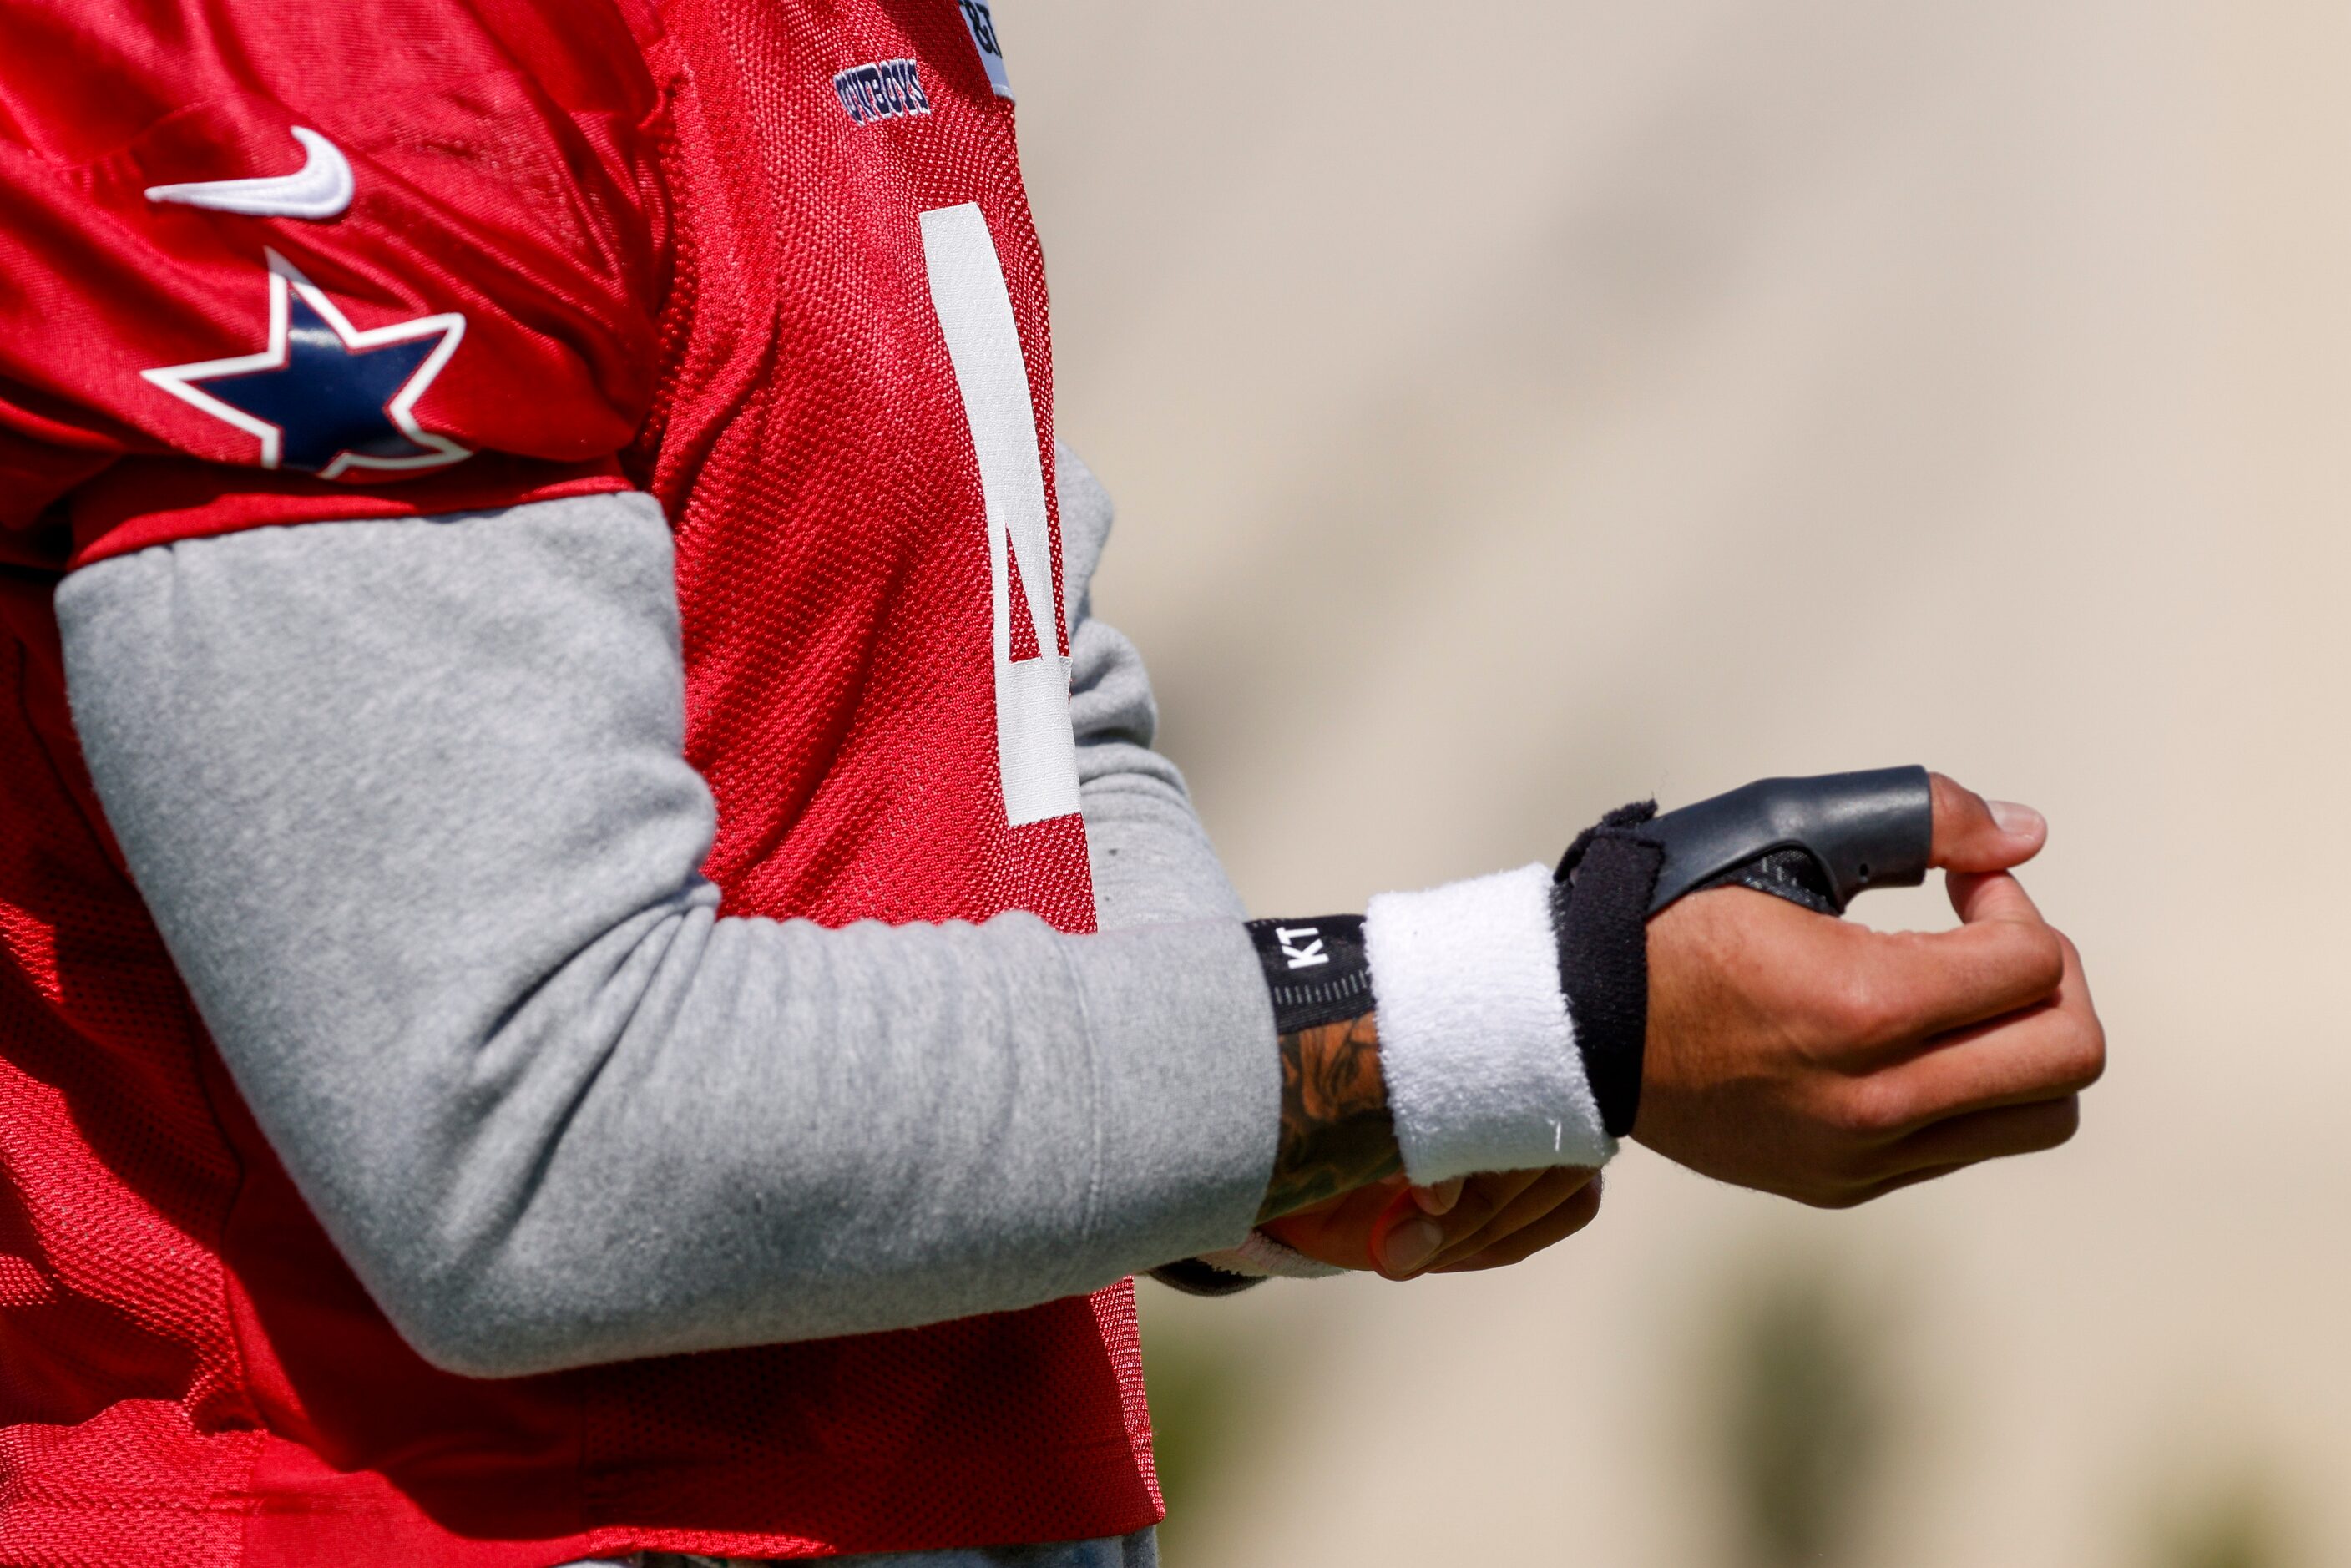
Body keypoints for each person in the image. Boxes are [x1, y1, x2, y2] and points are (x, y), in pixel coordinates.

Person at [0, 1, 2106, 1563]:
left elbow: (1012, 721)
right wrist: (1526, 1008)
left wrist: (1283, 1129)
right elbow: (524, 1138)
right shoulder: (338, 39)